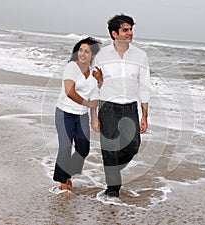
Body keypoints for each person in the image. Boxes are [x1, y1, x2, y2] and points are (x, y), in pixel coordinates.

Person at [92, 14, 150, 199]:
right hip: (108, 106)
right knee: (109, 149)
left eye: (131, 29)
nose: (130, 33)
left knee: (132, 146)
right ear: (114, 34)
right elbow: (94, 85)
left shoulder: (140, 56)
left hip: (130, 107)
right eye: (125, 30)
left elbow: (144, 85)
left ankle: (113, 167)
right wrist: (93, 115)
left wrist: (144, 115)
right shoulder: (101, 55)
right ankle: (113, 189)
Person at [51, 37, 102, 194]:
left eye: (86, 51)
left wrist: (94, 118)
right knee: (65, 147)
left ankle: (65, 173)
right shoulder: (71, 67)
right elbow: (69, 92)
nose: (82, 54)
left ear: (93, 55)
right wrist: (87, 104)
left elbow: (94, 96)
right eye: (80, 50)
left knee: (83, 149)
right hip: (64, 113)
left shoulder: (94, 73)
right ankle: (63, 183)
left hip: (81, 116)